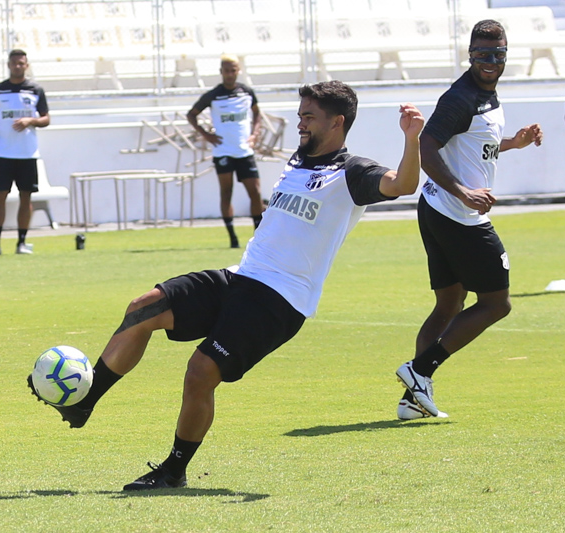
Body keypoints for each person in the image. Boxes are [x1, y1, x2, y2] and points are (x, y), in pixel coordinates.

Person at [28, 81, 425, 490]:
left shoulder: (351, 172)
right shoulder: (300, 158)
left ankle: (173, 471)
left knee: (200, 372)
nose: (299, 123)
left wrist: (411, 139)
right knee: (144, 307)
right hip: (241, 275)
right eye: (300, 114)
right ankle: (84, 402)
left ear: (337, 122)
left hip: (281, 299)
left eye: (309, 117)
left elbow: (402, 185)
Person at [395, 20, 543, 420]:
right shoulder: (461, 97)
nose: (490, 62)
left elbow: (477, 148)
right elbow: (427, 148)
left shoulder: (486, 94)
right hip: (459, 215)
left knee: (448, 304)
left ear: (506, 54)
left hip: (439, 209)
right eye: (482, 55)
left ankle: (413, 399)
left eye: (498, 54)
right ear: (470, 55)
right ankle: (419, 370)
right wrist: (464, 192)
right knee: (497, 304)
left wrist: (514, 142)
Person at [187, 54, 264, 248]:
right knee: (226, 192)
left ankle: (259, 236)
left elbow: (257, 113)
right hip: (223, 152)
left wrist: (254, 134)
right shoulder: (213, 95)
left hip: (244, 151)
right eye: (226, 70)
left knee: (255, 192)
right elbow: (192, 115)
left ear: (238, 71)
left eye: (233, 70)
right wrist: (207, 135)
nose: (230, 74)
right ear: (221, 72)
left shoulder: (247, 92)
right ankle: (233, 238)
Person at [0, 49, 50, 256]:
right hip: (4, 153)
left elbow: (46, 119)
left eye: (21, 63)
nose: (18, 66)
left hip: (27, 154)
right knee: (0, 194)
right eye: (14, 63)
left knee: (26, 197)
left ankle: (21, 242)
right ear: (9, 65)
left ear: (26, 65)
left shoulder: (35, 90)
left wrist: (31, 120)